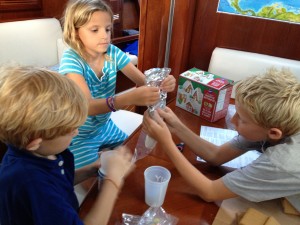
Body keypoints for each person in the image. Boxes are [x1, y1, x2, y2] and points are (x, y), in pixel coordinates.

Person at [143, 68, 300, 204]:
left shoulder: (283, 162)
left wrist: (167, 143)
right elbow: (216, 155)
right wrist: (177, 127)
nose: (232, 120)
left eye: (242, 120)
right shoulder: (268, 126)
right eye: (236, 112)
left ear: (273, 133)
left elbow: (210, 193)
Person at [0, 66, 135, 225]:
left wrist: (89, 169)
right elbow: (47, 189)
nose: (76, 132)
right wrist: (113, 180)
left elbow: (57, 181)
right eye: (69, 130)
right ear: (35, 142)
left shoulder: (43, 151)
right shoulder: (32, 184)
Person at [59, 0, 176, 169]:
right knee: (93, 179)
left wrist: (161, 84)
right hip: (78, 135)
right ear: (76, 33)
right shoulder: (71, 60)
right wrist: (124, 99)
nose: (104, 36)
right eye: (94, 30)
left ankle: (103, 154)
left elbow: (144, 82)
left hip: (104, 126)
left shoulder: (112, 52)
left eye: (107, 29)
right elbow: (87, 107)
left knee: (132, 157)